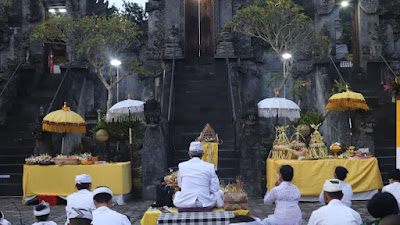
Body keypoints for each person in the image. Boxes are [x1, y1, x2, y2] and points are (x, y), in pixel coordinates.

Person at [173, 141, 224, 208]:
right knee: (219, 193)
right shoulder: (209, 166)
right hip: (206, 203)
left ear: (189, 154)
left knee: (177, 194)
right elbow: (215, 188)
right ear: (203, 154)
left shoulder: (182, 166)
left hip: (186, 203)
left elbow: (180, 185)